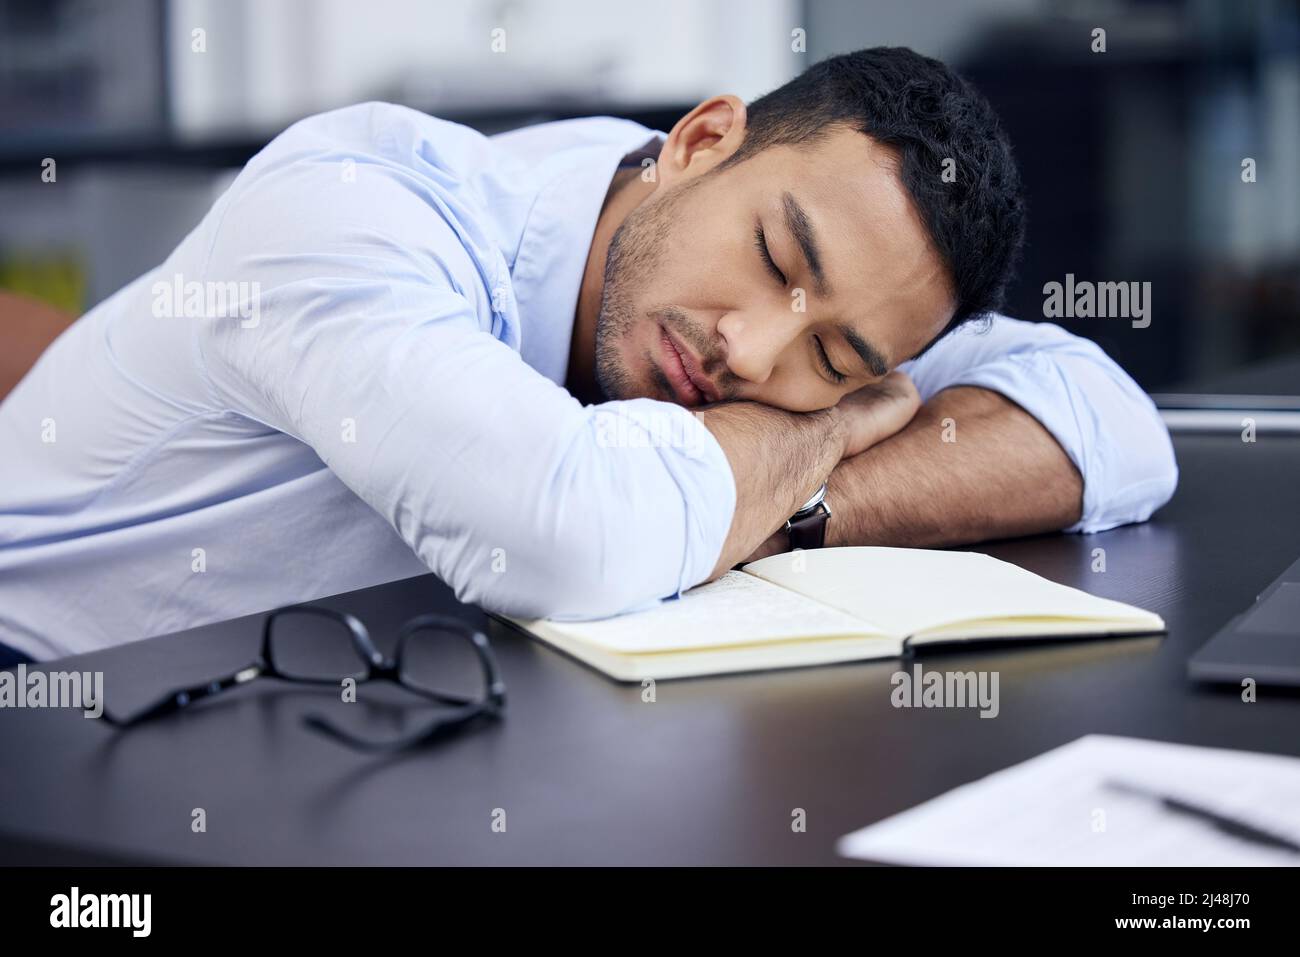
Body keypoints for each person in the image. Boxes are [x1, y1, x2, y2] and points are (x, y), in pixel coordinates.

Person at [0, 48, 1176, 661]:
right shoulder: (351, 208)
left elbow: (1110, 424)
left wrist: (797, 502)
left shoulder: (848, 279)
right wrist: (816, 421)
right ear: (703, 140)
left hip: (350, 710)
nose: (748, 350)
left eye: (834, 354)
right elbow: (566, 534)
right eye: (774, 257)